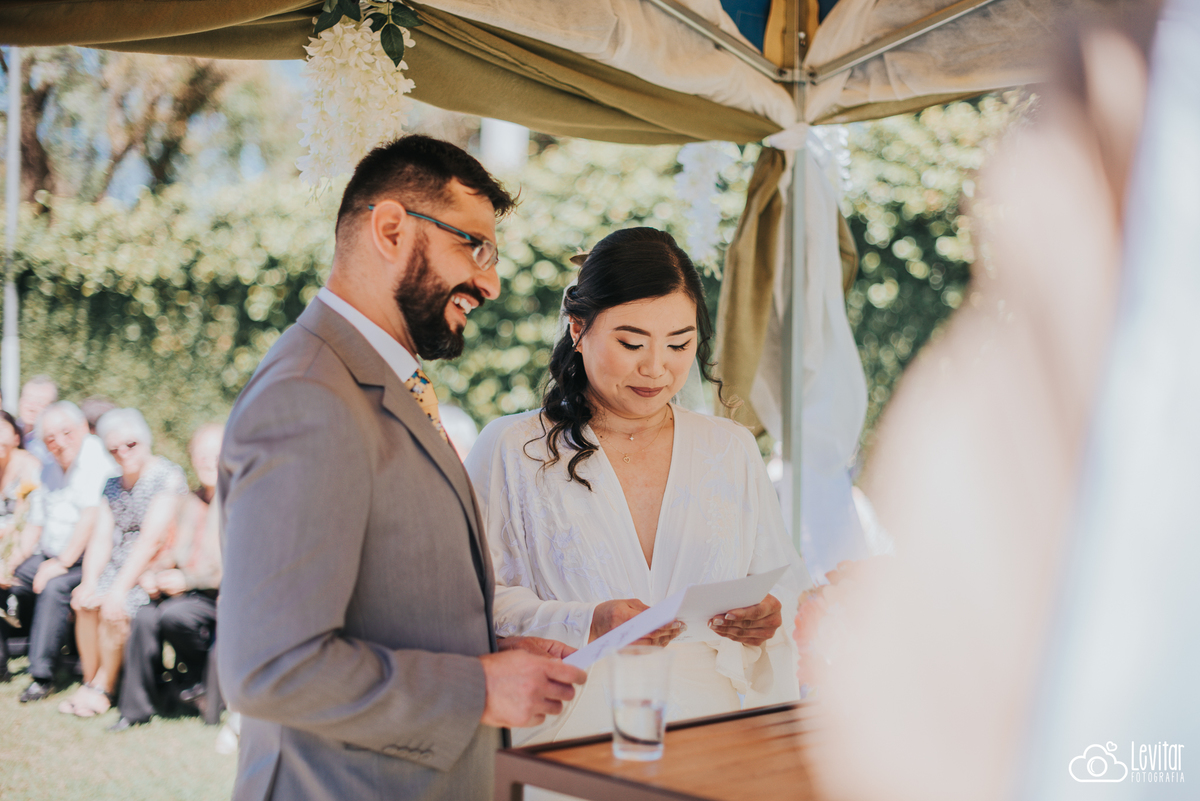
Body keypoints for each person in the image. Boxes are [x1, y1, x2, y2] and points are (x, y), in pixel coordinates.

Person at [217, 134, 587, 801]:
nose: (491, 281)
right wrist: (478, 688)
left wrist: (490, 653)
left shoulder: (375, 381)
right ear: (390, 228)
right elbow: (271, 666)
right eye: (473, 245)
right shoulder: (308, 394)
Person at [466, 227, 813, 745]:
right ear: (578, 329)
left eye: (680, 343)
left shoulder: (731, 448)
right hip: (569, 730)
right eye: (631, 343)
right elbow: (469, 601)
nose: (657, 368)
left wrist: (767, 617)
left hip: (708, 731)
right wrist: (588, 621)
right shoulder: (513, 448)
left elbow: (780, 580)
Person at [58, 408, 187, 717]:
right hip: (116, 565)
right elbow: (101, 537)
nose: (122, 453)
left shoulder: (166, 476)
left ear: (145, 441)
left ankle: (105, 687)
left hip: (148, 569)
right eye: (113, 448)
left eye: (130, 445)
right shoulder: (112, 483)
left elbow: (151, 542)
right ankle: (91, 681)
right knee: (84, 602)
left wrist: (117, 589)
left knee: (114, 608)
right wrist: (89, 581)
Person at [110, 422, 224, 731]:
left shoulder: (242, 502)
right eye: (200, 454)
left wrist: (187, 580)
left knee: (176, 616)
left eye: (215, 454)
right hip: (181, 591)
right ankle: (136, 710)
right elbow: (169, 549)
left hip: (220, 597)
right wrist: (153, 573)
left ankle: (193, 681)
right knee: (145, 616)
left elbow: (237, 567)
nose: (207, 461)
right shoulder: (188, 501)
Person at [6, 401, 119, 702]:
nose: (58, 442)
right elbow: (35, 523)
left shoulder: (97, 460)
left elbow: (90, 518)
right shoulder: (48, 469)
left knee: (55, 587)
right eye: (50, 438)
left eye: (65, 433)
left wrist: (61, 562)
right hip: (52, 555)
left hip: (89, 560)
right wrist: (12, 561)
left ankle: (42, 675)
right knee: (11, 577)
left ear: (82, 428)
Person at [0, 410, 47, 676]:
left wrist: (9, 562)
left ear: (17, 436)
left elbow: (28, 525)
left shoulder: (30, 467)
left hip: (26, 548)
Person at [18, 375, 58, 468]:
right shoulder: (9, 430)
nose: (31, 407)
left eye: (40, 402)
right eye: (28, 399)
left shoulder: (53, 441)